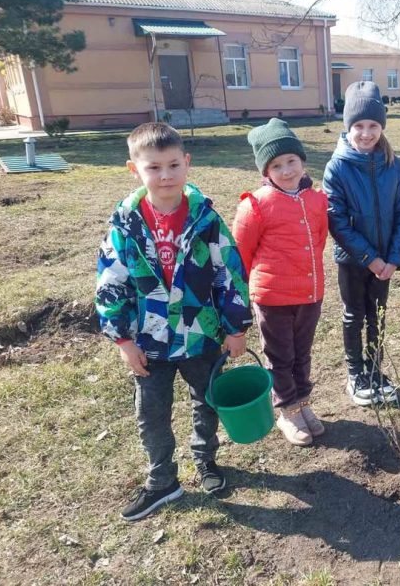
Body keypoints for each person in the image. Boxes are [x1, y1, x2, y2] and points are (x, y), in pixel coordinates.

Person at [95, 123, 252, 521]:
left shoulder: (206, 219)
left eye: (173, 165)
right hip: (149, 342)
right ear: (135, 170)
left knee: (207, 401)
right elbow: (111, 280)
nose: (165, 176)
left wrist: (236, 327)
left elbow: (229, 273)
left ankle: (206, 461)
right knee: (151, 413)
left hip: (202, 337)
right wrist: (122, 340)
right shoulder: (125, 224)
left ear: (187, 163)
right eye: (153, 168)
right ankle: (163, 480)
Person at [232, 118, 328, 447]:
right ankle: (287, 410)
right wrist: (241, 299)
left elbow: (318, 241)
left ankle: (302, 403)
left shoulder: (316, 200)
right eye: (276, 165)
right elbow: (240, 255)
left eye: (291, 161)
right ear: (265, 171)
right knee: (280, 356)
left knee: (302, 355)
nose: (286, 170)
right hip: (272, 298)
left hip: (310, 294)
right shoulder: (255, 205)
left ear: (302, 161)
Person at [322, 81, 400, 406]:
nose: (365, 132)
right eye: (358, 125)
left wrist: (393, 258)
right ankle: (355, 372)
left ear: (381, 126)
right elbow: (337, 221)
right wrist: (369, 258)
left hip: (386, 262)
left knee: (378, 314)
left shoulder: (395, 166)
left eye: (373, 125)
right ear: (348, 126)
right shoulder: (338, 167)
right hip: (353, 259)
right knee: (354, 314)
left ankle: (375, 370)